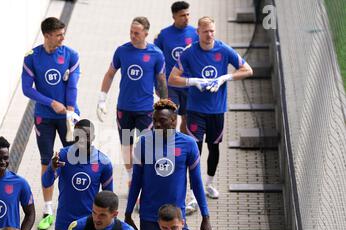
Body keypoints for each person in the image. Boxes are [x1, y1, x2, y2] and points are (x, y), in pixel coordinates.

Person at [169, 16, 253, 199]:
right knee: (195, 149)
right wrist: (193, 81)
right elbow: (172, 78)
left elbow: (248, 70)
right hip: (195, 110)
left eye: (212, 31)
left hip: (216, 110)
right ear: (198, 32)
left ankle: (209, 183)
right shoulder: (189, 53)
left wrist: (225, 78)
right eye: (205, 31)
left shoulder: (223, 50)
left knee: (214, 148)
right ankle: (192, 190)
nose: (209, 35)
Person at [42, 119, 114, 230]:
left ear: (94, 137)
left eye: (86, 137)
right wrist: (51, 168)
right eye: (77, 136)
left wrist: (110, 228)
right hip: (64, 226)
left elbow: (109, 199)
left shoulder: (104, 162)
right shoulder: (63, 157)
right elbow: (46, 182)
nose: (81, 140)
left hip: (90, 227)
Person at [22, 17, 81, 230]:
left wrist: (71, 110)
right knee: (47, 160)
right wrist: (51, 102)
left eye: (63, 34)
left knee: (73, 158)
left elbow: (72, 84)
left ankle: (71, 202)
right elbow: (27, 89)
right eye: (58, 35)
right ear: (47, 35)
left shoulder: (71, 55)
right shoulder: (32, 58)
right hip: (44, 117)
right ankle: (48, 209)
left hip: (67, 117)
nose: (63, 38)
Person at [125, 99, 211, 230]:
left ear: (173, 121)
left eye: (162, 120)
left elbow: (196, 183)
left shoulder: (188, 144)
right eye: (154, 120)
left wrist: (206, 216)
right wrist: (128, 213)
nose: (157, 124)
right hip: (149, 217)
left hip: (176, 218)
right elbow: (136, 181)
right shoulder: (144, 143)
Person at [97, 16, 167, 187]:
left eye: (136, 33)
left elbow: (162, 80)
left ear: (146, 34)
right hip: (124, 109)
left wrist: (165, 103)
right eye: (131, 32)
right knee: (126, 145)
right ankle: (130, 177)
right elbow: (110, 74)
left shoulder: (156, 54)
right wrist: (102, 99)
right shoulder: (122, 51)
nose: (133, 35)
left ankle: (147, 178)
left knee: (147, 146)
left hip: (145, 110)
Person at [154, 1, 198, 135]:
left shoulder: (195, 34)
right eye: (182, 15)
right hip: (170, 85)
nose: (186, 18)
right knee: (170, 117)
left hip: (188, 84)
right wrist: (157, 85)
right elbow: (155, 60)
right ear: (174, 16)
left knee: (187, 118)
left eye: (188, 15)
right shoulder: (164, 35)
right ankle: (169, 146)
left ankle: (183, 143)